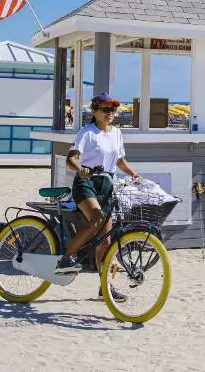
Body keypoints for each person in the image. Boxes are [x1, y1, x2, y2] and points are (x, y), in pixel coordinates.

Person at [55, 92, 140, 302]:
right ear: (95, 111)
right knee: (96, 218)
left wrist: (134, 174)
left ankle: (105, 288)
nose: (111, 113)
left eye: (113, 110)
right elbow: (71, 159)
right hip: (86, 183)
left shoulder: (117, 133)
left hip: (106, 185)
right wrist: (80, 169)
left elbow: (120, 161)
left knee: (105, 241)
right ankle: (66, 258)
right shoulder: (87, 133)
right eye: (106, 109)